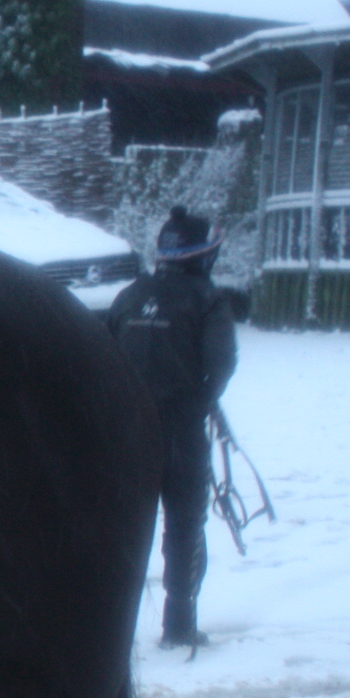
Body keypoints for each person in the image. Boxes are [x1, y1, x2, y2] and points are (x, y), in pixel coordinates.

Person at [107, 206, 239, 649]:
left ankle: (109, 627)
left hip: (126, 430)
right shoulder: (208, 299)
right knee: (183, 524)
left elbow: (103, 357)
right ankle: (179, 624)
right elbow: (221, 364)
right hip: (180, 431)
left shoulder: (128, 295)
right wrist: (199, 405)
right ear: (204, 256)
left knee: (123, 525)